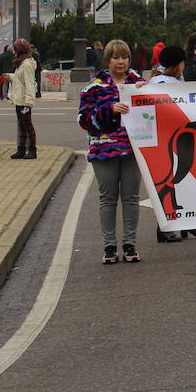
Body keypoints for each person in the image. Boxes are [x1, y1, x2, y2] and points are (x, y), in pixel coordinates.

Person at [79, 39, 142, 264]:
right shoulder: (94, 87)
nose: (120, 61)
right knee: (108, 198)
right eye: (115, 57)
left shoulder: (140, 84)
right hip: (104, 150)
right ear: (108, 60)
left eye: (124, 57)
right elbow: (84, 119)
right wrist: (110, 109)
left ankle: (129, 243)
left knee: (131, 197)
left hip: (134, 150)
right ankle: (109, 246)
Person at [148, 46, 196, 243]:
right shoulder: (163, 84)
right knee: (170, 179)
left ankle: (183, 223)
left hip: (178, 137)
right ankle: (165, 225)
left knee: (182, 178)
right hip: (167, 138)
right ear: (177, 65)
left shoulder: (168, 81)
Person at [8, 39, 39, 159]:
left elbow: (29, 84)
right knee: (22, 125)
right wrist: (10, 76)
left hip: (24, 100)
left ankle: (32, 149)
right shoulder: (22, 63)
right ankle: (21, 149)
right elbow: (19, 79)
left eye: (16, 49)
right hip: (19, 99)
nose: (15, 52)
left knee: (28, 125)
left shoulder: (26, 64)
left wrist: (28, 103)